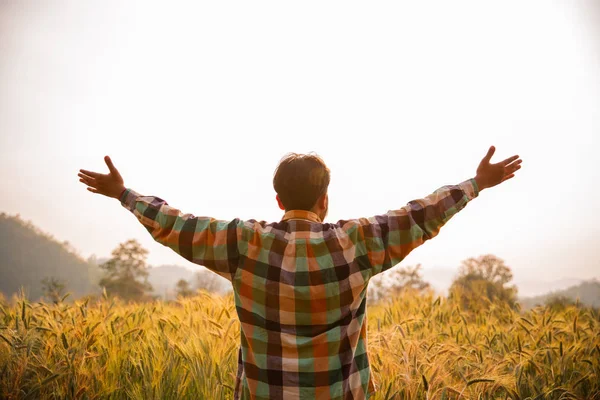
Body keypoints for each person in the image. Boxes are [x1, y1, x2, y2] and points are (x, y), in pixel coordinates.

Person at [78, 146, 522, 400]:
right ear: (324, 199)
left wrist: (124, 194)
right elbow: (418, 215)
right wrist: (475, 184)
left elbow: (177, 224)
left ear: (277, 200)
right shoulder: (356, 243)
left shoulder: (243, 243)